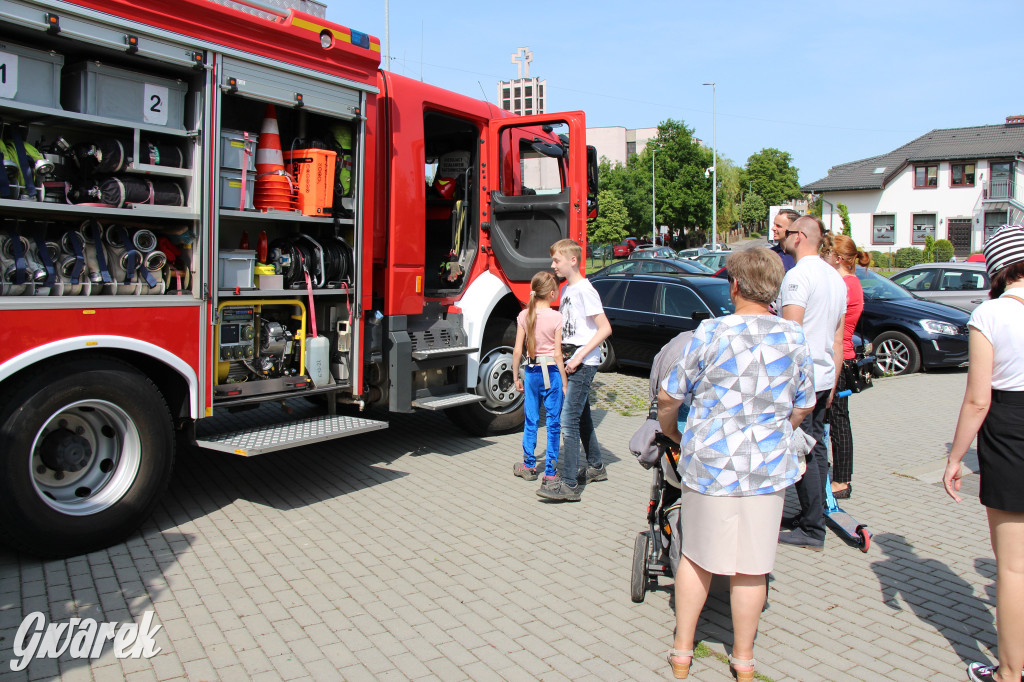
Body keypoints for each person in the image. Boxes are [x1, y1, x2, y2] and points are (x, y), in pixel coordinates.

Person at [658, 248, 815, 680]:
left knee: (697, 558)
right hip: (766, 466)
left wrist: (672, 431)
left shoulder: (710, 334)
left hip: (711, 462)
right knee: (753, 565)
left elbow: (670, 395)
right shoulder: (793, 337)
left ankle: (682, 652)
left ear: (734, 286)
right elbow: (804, 404)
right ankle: (743, 660)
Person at [943, 224, 1024, 682]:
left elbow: (978, 399)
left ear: (996, 267)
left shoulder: (990, 314)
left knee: (1013, 569)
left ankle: (1009, 672)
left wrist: (955, 458)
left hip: (1011, 431)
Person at [777, 216, 846, 551]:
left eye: (786, 233)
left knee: (801, 447)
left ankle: (812, 527)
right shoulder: (835, 278)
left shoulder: (798, 276)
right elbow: (837, 337)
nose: (781, 237)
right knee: (816, 445)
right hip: (822, 376)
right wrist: (832, 381)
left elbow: (791, 335)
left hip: (802, 379)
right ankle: (812, 516)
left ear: (800, 236)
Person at [537, 238, 612, 502]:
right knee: (581, 418)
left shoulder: (584, 290)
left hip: (582, 364)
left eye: (556, 260)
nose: (552, 264)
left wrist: (579, 357)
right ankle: (596, 466)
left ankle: (569, 483)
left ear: (572, 260)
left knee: (567, 422)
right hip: (571, 361)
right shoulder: (568, 290)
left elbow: (605, 329)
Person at [823, 235, 869, 498]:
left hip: (841, 356)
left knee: (838, 420)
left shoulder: (845, 285)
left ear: (838, 258)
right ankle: (838, 475)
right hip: (843, 354)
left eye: (828, 253)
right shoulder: (851, 282)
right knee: (837, 418)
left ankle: (841, 480)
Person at [511, 271, 567, 483]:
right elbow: (558, 354)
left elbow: (518, 350)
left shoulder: (524, 315)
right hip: (552, 372)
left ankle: (528, 465)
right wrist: (564, 381)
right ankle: (551, 473)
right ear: (552, 293)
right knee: (553, 423)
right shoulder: (557, 317)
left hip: (532, 372)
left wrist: (516, 375)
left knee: (531, 420)